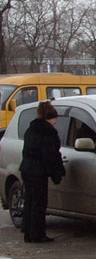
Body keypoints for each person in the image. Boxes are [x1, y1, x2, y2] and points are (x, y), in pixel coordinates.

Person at [19, 100, 65, 243]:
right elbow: (51, 155)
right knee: (39, 203)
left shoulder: (31, 129)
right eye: (55, 119)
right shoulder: (48, 133)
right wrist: (57, 173)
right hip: (38, 172)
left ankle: (28, 232)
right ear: (50, 118)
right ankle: (38, 234)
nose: (55, 122)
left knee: (30, 201)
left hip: (26, 169)